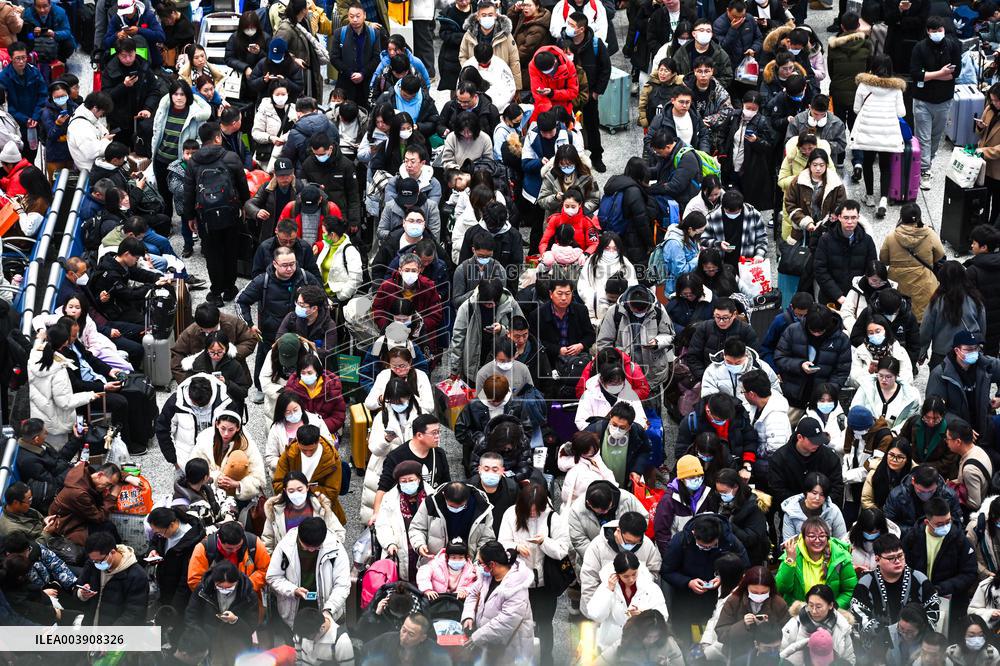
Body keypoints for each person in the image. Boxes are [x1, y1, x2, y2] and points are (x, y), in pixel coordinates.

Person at [496, 483, 568, 665]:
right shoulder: (510, 514)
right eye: (530, 510)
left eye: (537, 510)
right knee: (517, 623)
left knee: (544, 624)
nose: (533, 513)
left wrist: (544, 542)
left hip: (545, 584)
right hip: (519, 583)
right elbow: (502, 543)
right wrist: (515, 547)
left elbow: (562, 550)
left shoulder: (553, 518)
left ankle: (545, 659)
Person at [182, 122, 251, 305]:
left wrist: (190, 216)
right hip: (230, 212)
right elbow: (242, 185)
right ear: (218, 137)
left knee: (212, 254)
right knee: (230, 250)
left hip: (206, 217)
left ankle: (216, 292)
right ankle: (230, 288)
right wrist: (243, 205)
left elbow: (188, 192)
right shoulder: (230, 157)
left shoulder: (193, 161)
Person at [851, 533, 941, 657]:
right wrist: (888, 633)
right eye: (891, 558)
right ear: (877, 559)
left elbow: (933, 611)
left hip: (915, 646)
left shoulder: (919, 579)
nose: (898, 561)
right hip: (877, 647)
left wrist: (913, 631)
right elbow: (859, 616)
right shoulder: (865, 583)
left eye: (900, 555)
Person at [901, 496, 978, 634]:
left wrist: (941, 588)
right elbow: (905, 567)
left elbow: (969, 573)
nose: (945, 526)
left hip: (950, 601)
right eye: (939, 524)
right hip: (916, 599)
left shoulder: (959, 540)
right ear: (927, 522)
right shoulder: (913, 537)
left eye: (948, 521)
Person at [662, 513, 748, 635]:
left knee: (711, 628)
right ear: (693, 533)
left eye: (711, 546)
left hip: (717, 595)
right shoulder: (680, 541)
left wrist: (722, 577)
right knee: (686, 631)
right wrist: (688, 582)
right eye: (702, 546)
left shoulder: (729, 541)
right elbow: (667, 571)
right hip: (686, 597)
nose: (707, 548)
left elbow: (743, 565)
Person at [460, 540, 534, 665]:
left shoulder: (516, 586)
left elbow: (507, 621)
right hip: (488, 643)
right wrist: (468, 616)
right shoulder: (487, 577)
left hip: (511, 648)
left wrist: (477, 637)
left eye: (480, 562)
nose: (478, 566)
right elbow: (472, 594)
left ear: (492, 564)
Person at [773, 306, 852, 418]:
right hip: (793, 398)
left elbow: (842, 371)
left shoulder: (841, 339)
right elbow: (779, 358)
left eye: (820, 331)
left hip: (822, 402)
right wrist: (799, 366)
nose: (816, 334)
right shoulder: (793, 330)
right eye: (813, 331)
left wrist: (827, 392)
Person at [911, 16, 962, 188]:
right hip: (922, 100)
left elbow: (955, 73)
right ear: (928, 31)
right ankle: (925, 170)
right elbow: (917, 74)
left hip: (944, 100)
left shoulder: (953, 45)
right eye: (934, 31)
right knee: (923, 137)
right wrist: (941, 73)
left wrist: (931, 76)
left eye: (940, 30)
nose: (937, 34)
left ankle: (927, 161)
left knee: (935, 136)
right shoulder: (919, 48)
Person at [585, 550, 667, 652]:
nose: (631, 579)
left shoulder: (650, 587)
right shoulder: (606, 586)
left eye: (634, 574)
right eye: (626, 576)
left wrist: (643, 616)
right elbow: (596, 615)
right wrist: (609, 591)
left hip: (641, 646)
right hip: (611, 643)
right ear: (617, 574)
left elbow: (663, 616)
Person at [926, 331, 1000, 438]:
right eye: (969, 349)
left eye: (976, 348)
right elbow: (935, 410)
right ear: (957, 350)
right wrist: (961, 427)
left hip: (985, 426)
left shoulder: (985, 364)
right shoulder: (940, 374)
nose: (974, 352)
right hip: (957, 433)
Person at [184, 559, 258, 665]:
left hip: (236, 645)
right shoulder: (203, 589)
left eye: (229, 587)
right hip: (209, 642)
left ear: (236, 582)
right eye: (220, 586)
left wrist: (235, 620)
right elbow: (192, 614)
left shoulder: (248, 595)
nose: (224, 590)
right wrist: (199, 637)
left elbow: (251, 625)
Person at [878, 204, 945, 321]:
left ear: (901, 218)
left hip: (897, 283)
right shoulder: (930, 234)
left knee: (898, 317)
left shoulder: (891, 236)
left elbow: (883, 259)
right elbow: (940, 254)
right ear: (919, 217)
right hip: (924, 283)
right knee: (922, 319)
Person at [273, 424, 346, 525]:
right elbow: (277, 483)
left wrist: (296, 490)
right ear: (297, 441)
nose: (308, 453)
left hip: (321, 508)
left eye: (312, 450)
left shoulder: (331, 459)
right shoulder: (289, 454)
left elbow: (332, 491)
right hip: (292, 506)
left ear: (318, 441)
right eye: (304, 450)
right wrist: (304, 490)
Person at [776, 517, 856, 609]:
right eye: (812, 536)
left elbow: (850, 591)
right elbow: (781, 588)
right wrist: (790, 561)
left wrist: (833, 608)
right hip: (798, 613)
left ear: (827, 537)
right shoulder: (792, 553)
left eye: (822, 536)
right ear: (803, 537)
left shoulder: (841, 557)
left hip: (831, 614)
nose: (817, 540)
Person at [188, 411, 267, 503]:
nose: (226, 433)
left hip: (236, 498)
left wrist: (238, 485)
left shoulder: (247, 445)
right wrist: (215, 478)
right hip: (208, 494)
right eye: (223, 428)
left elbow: (259, 479)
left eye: (230, 430)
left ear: (237, 428)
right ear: (217, 424)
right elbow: (193, 469)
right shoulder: (204, 441)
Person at [714, 566, 790, 662]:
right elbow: (721, 634)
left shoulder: (779, 604)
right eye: (754, 592)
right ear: (746, 587)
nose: (759, 595)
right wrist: (743, 625)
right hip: (738, 656)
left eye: (764, 592)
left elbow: (787, 635)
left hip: (768, 656)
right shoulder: (734, 601)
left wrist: (768, 627)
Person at [374, 461, 434, 583]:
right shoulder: (389, 498)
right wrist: (389, 543)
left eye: (411, 480)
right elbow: (382, 524)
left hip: (425, 548)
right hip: (399, 549)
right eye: (403, 481)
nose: (407, 484)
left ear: (419, 479)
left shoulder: (432, 496)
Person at [921, 266, 988, 368]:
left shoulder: (937, 301)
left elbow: (926, 329)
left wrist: (921, 351)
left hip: (942, 353)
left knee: (940, 382)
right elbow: (982, 325)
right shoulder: (975, 298)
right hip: (968, 351)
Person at [75, 532, 148, 626]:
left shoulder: (136, 575)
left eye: (99, 561)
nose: (96, 564)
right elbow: (77, 589)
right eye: (93, 560)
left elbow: (135, 613)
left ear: (112, 552)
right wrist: (81, 594)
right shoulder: (92, 564)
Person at [187, 521, 271, 600]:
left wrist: (246, 585)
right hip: (214, 603)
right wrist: (220, 591)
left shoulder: (253, 543)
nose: (234, 550)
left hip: (247, 600)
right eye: (229, 548)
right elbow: (195, 580)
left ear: (243, 538)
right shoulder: (204, 548)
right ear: (220, 540)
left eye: (238, 547)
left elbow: (265, 570)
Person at [146, 506, 206, 613]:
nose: (160, 536)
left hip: (177, 593)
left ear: (172, 525)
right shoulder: (163, 530)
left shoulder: (191, 543)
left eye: (160, 533)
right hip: (164, 584)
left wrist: (174, 610)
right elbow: (155, 541)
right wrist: (153, 550)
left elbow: (184, 582)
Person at [778, 584, 855, 664]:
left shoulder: (841, 626)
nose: (814, 611)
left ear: (830, 605)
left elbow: (849, 659)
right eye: (811, 606)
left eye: (818, 607)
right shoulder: (795, 624)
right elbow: (780, 652)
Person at [884, 464, 963, 538]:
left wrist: (939, 528)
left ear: (937, 483)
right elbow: (888, 523)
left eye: (931, 491)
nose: (926, 495)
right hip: (908, 537)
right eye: (921, 491)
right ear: (913, 481)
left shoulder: (949, 496)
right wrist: (916, 531)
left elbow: (958, 523)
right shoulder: (897, 495)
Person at [329, 4, 385, 108]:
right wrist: (350, 73)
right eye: (351, 16)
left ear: (365, 15)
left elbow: (377, 57)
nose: (354, 19)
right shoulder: (339, 33)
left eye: (358, 16)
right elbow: (334, 58)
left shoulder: (374, 33)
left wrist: (363, 73)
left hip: (367, 84)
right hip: (345, 83)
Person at [780, 472, 848, 543]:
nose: (817, 498)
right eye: (814, 493)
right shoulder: (791, 512)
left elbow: (841, 541)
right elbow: (788, 544)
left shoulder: (833, 511)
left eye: (822, 494)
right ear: (806, 492)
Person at [946, 417, 994, 513]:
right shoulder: (977, 450)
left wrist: (953, 492)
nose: (946, 442)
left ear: (958, 442)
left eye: (947, 439)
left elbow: (975, 503)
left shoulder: (969, 470)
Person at [862, 440, 915, 512]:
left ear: (907, 459)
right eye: (891, 455)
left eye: (900, 457)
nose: (894, 460)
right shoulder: (875, 472)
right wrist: (881, 516)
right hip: (880, 514)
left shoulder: (914, 475)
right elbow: (866, 500)